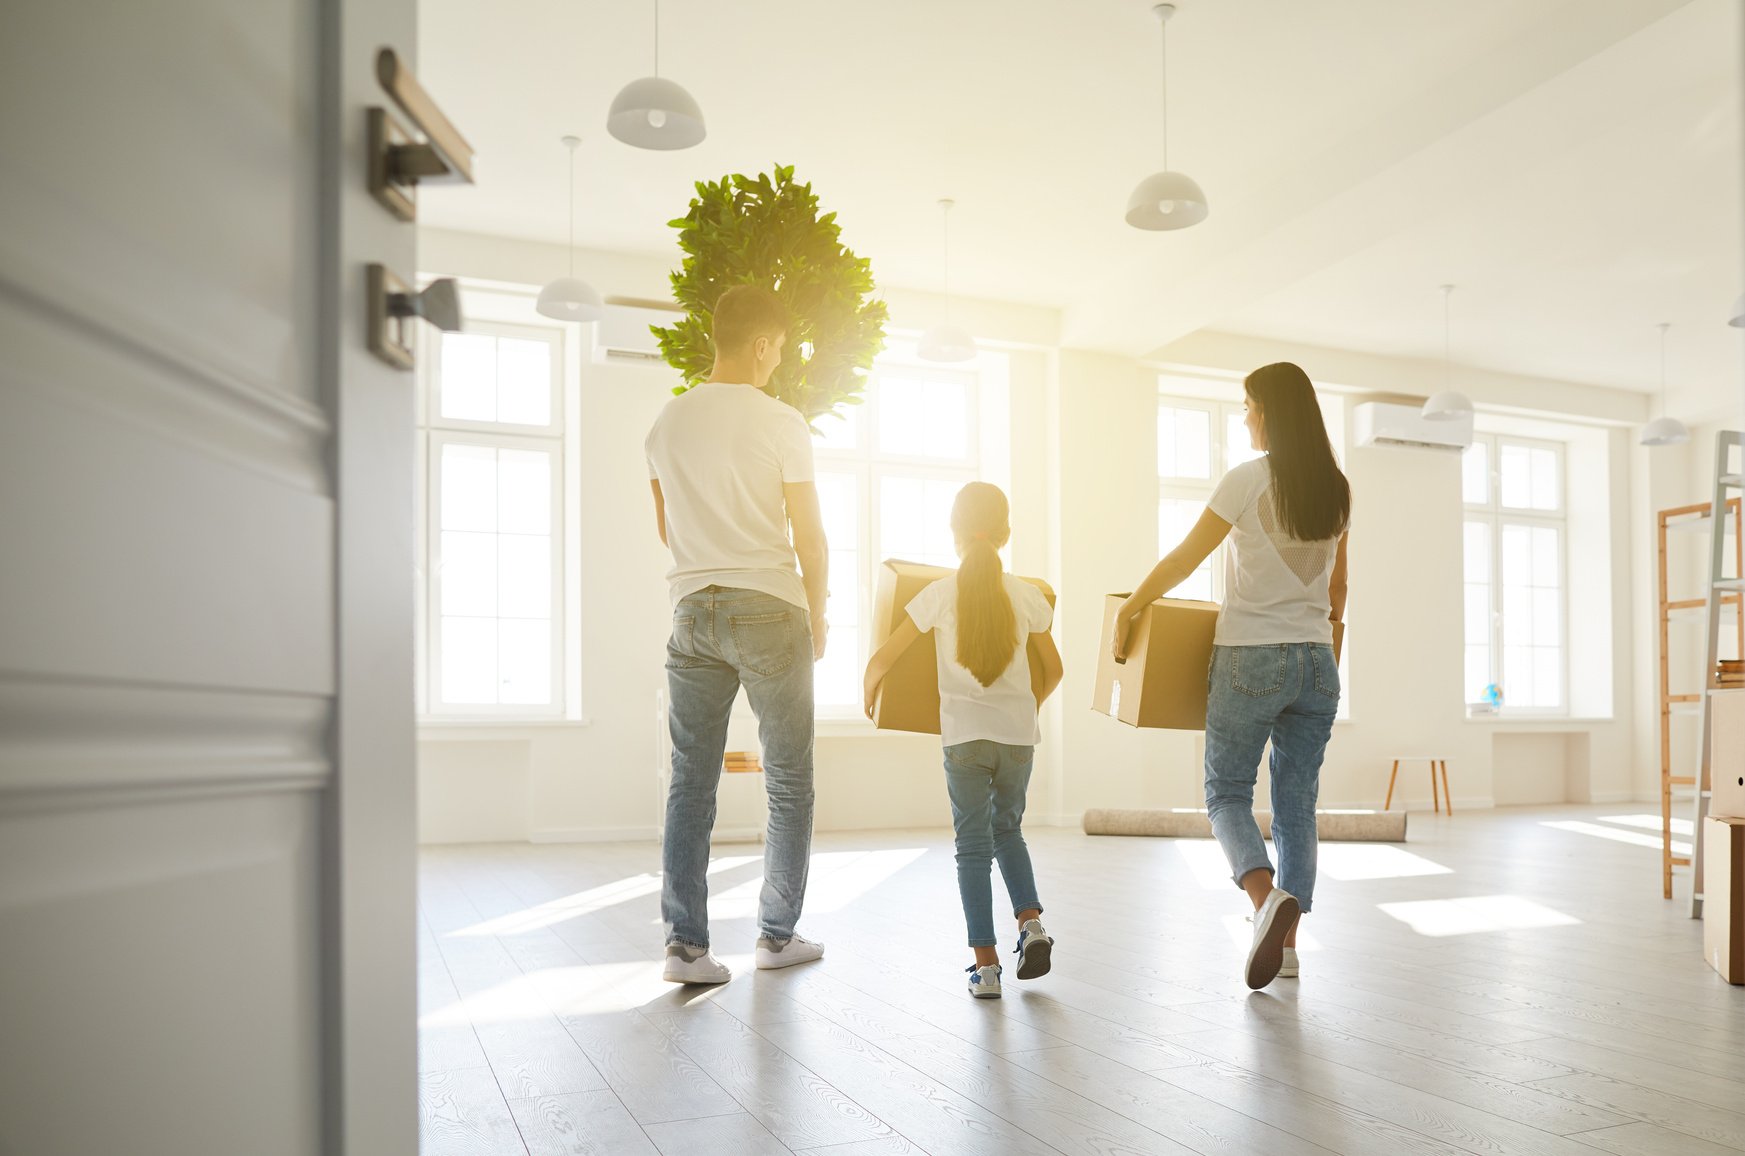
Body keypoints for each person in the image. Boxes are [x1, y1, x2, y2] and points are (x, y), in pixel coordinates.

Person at [1113, 362, 1350, 990]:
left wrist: (1133, 605)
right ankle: (1289, 949)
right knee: (1297, 805)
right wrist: (1327, 654)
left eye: (1248, 406)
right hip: (1317, 661)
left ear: (1270, 410)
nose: (1245, 416)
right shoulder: (1336, 487)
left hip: (1251, 657)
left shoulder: (1248, 480)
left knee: (1225, 793)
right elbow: (1338, 587)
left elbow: (1188, 557)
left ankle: (1263, 898)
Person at [645, 285, 829, 984]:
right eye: (778, 348)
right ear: (759, 344)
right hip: (770, 606)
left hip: (690, 609)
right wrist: (820, 611)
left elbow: (665, 529)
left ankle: (685, 949)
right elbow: (808, 535)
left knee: (689, 781)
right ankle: (776, 937)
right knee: (788, 779)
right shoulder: (781, 421)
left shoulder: (665, 424)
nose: (778, 361)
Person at [863, 482, 1064, 999]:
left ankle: (988, 968)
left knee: (972, 850)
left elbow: (886, 655)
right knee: (1009, 831)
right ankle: (1032, 924)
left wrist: (869, 687)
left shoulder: (938, 594)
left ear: (954, 532)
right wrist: (1027, 708)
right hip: (1018, 740)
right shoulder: (1026, 594)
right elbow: (1055, 669)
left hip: (964, 740)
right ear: (1006, 533)